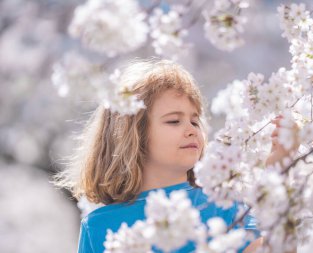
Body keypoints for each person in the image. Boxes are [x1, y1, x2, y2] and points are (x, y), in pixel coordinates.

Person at [55, 59, 298, 253]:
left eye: (195, 120)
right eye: (174, 121)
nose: (192, 129)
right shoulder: (99, 226)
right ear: (133, 135)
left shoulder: (222, 205)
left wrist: (280, 171)